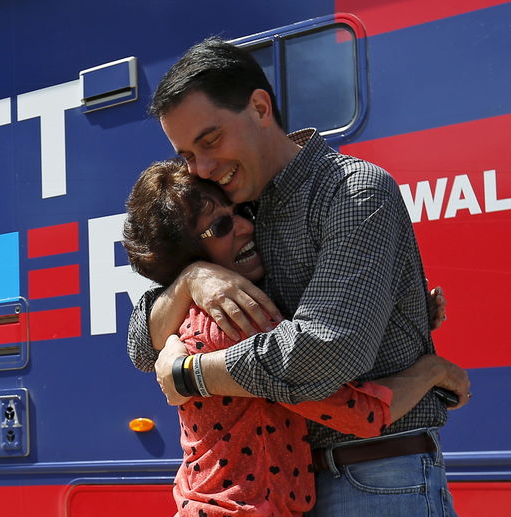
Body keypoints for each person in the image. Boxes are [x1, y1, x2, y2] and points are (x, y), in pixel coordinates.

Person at [126, 38, 470, 516]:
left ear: (261, 107)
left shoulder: (352, 192)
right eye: (186, 155)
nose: (202, 168)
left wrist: (189, 374)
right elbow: (143, 344)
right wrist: (190, 280)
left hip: (373, 479)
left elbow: (320, 357)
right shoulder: (233, 207)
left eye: (210, 141)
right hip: (290, 487)